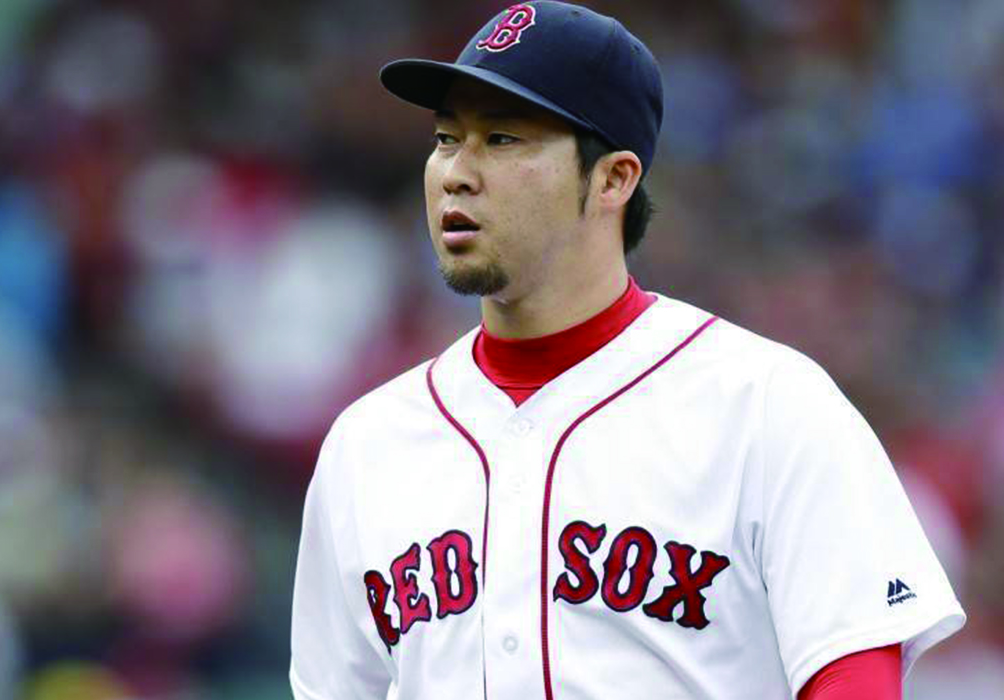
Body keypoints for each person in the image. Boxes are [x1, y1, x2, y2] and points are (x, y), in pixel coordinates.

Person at [289, 3, 965, 699]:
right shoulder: (366, 447)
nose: (456, 172)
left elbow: (855, 678)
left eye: (502, 138)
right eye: (445, 138)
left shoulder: (767, 406)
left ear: (614, 178)